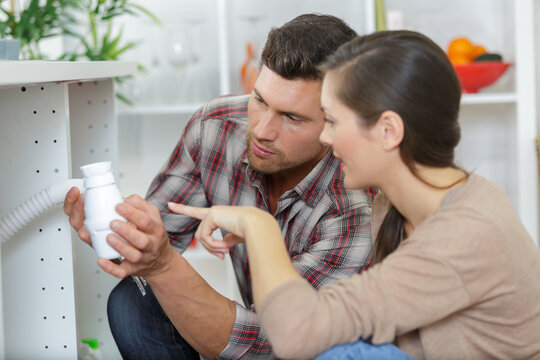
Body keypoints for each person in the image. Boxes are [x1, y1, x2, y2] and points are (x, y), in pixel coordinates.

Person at [170, 30, 540, 359]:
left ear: (388, 131)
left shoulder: (465, 235)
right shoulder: (396, 205)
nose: (326, 138)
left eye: (332, 121)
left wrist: (258, 224)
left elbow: (297, 334)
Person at [64, 14, 376, 359]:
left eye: (292, 117)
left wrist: (164, 266)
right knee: (131, 300)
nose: (261, 130)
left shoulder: (355, 206)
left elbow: (272, 345)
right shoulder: (217, 129)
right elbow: (154, 241)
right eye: (259, 100)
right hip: (259, 331)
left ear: (336, 120)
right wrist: (121, 233)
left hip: (323, 347)